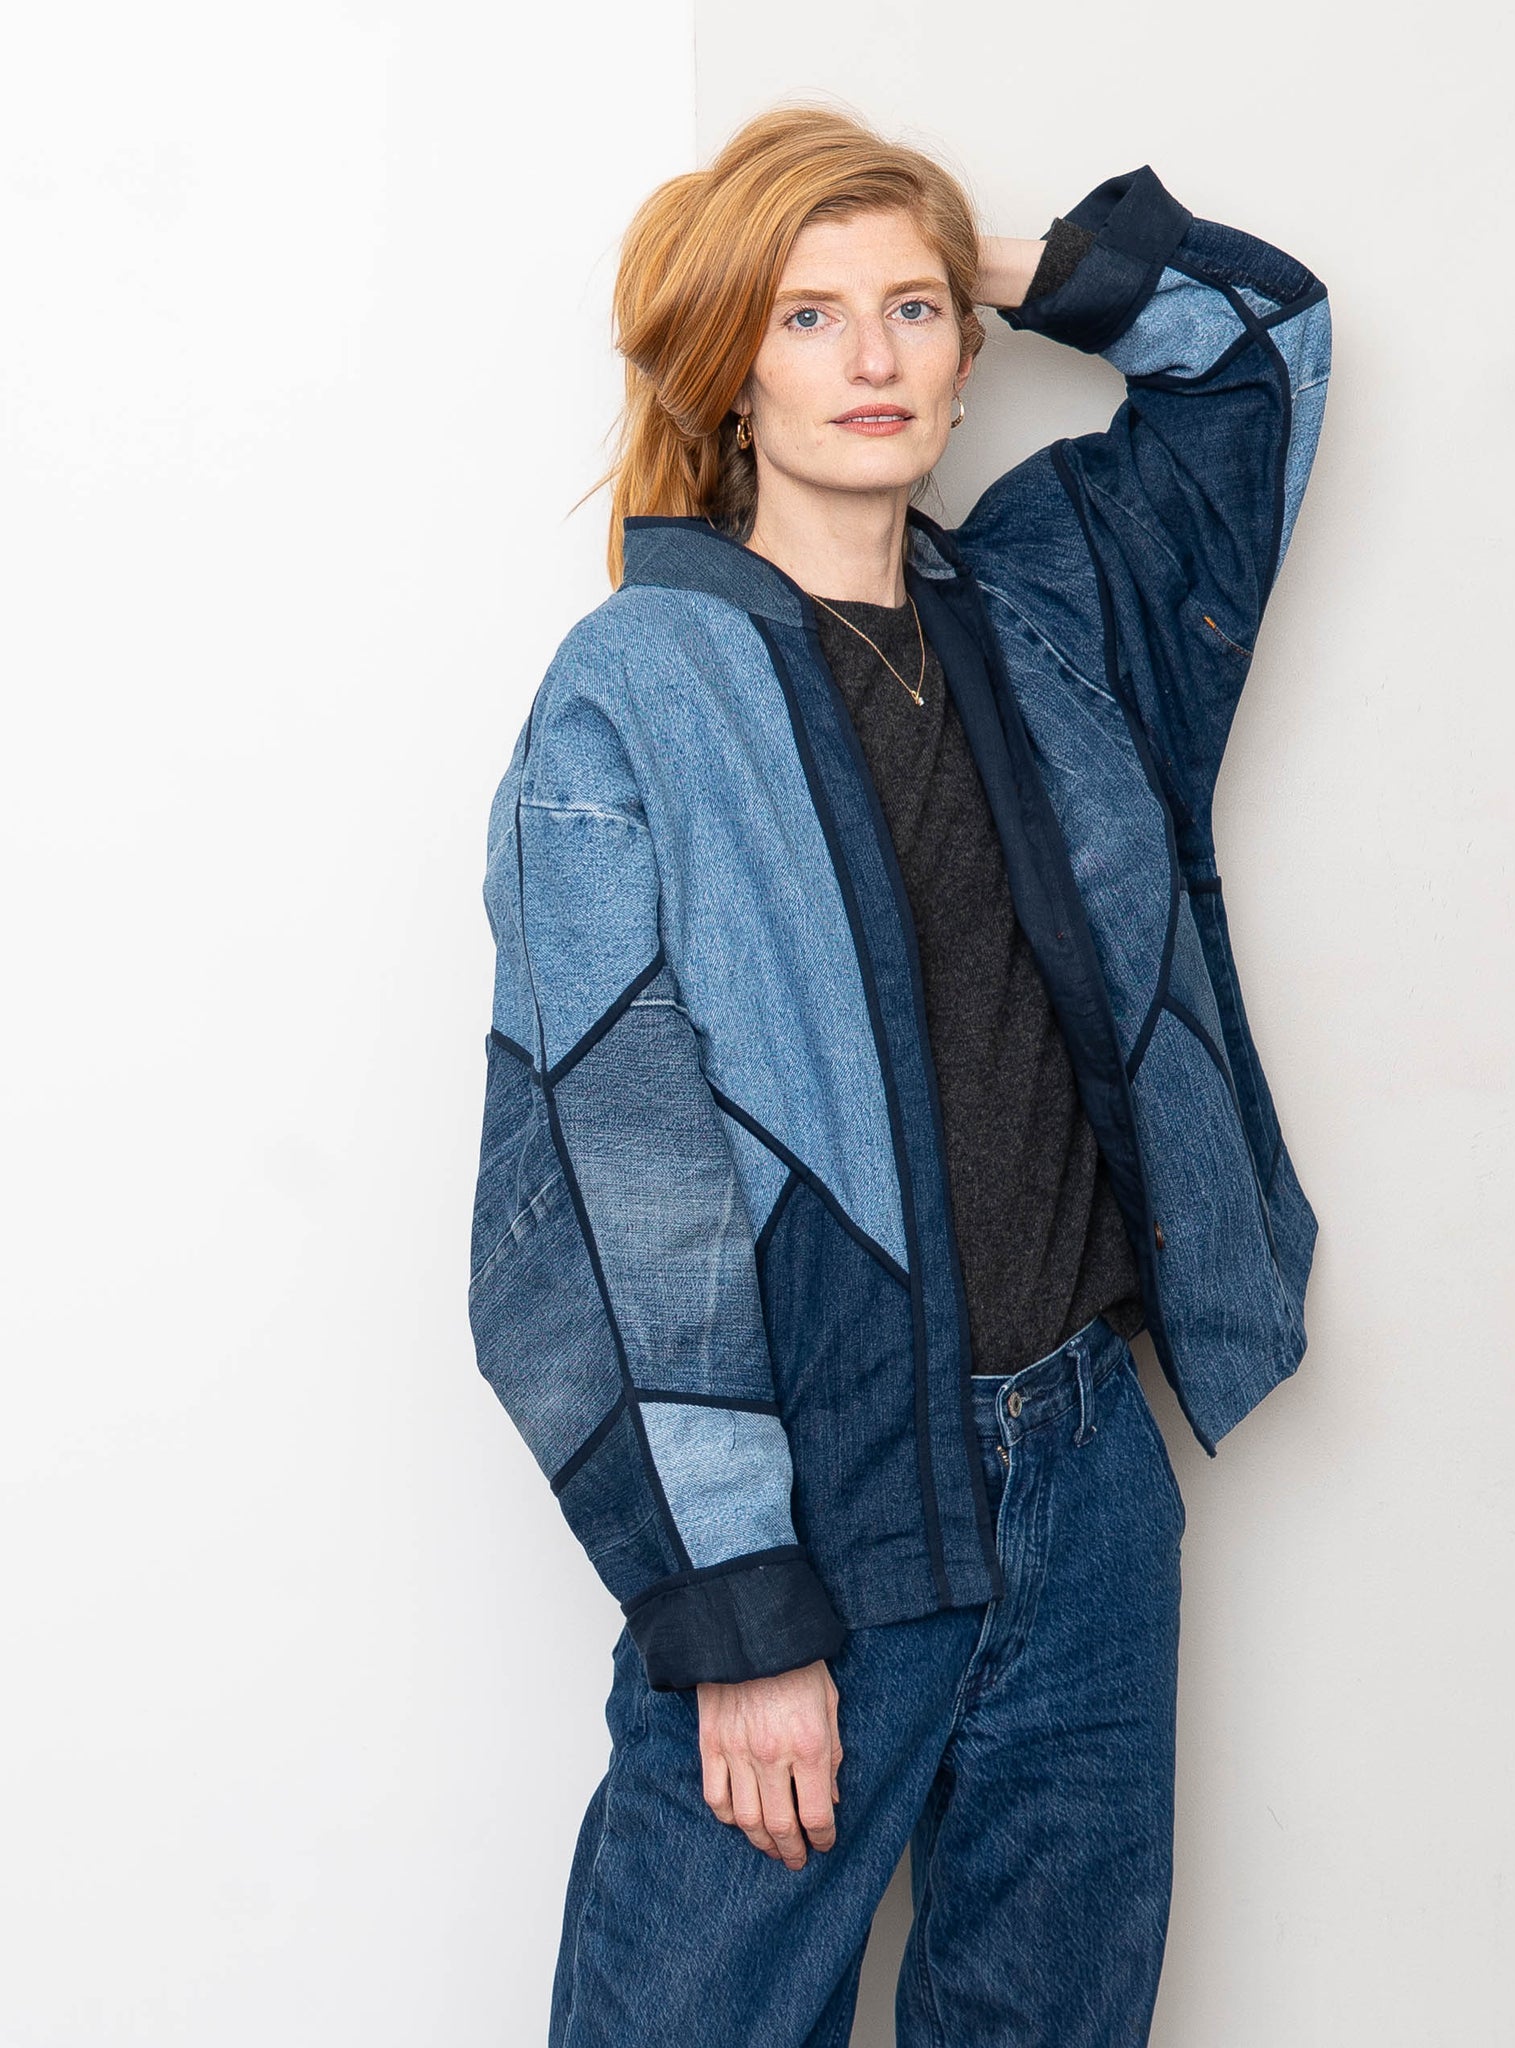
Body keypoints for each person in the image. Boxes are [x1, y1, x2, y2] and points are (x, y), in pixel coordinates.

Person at [467, 101, 1330, 2048]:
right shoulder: (637, 692)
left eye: (912, 312)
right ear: (726, 368)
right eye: (807, 316)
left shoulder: (1047, 606)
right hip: (824, 1506)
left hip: (1090, 1489)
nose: (873, 358)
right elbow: (607, 1196)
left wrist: (979, 249)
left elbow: (1264, 343)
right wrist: (738, 1614)